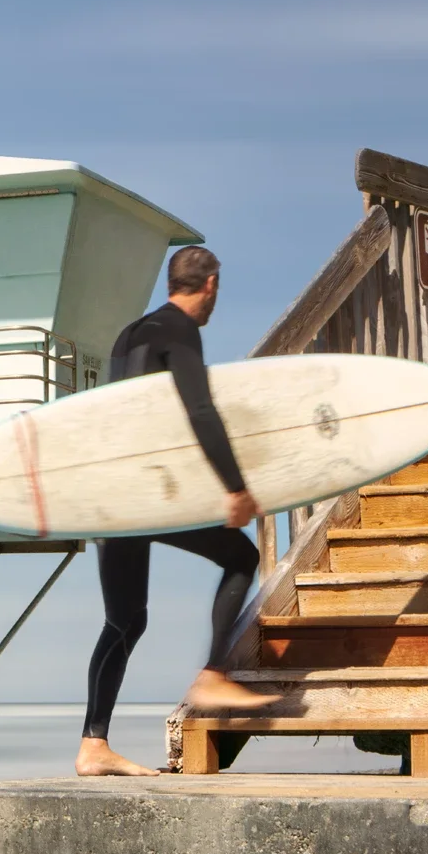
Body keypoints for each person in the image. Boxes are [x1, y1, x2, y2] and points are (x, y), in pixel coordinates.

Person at [77, 245, 279, 778]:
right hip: (145, 492)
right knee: (241, 557)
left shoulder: (132, 333)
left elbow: (128, 413)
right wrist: (235, 486)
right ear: (210, 285)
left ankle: (93, 745)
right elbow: (198, 409)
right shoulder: (180, 332)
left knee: (124, 619)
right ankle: (212, 672)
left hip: (112, 491)